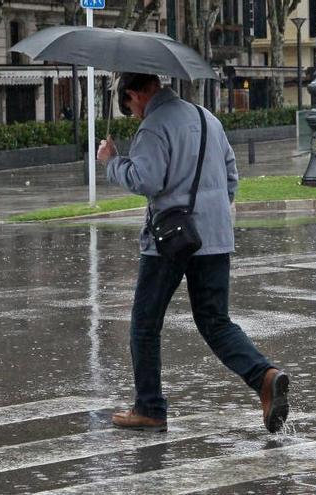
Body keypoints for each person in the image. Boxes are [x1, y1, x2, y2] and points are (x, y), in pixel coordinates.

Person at [96, 73, 290, 434]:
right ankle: (264, 376)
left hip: (169, 240)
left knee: (144, 323)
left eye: (131, 107)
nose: (135, 115)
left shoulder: (153, 127)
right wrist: (211, 212)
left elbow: (146, 180)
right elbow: (232, 177)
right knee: (216, 321)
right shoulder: (207, 118)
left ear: (138, 93)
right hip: (214, 236)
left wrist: (112, 161)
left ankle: (150, 408)